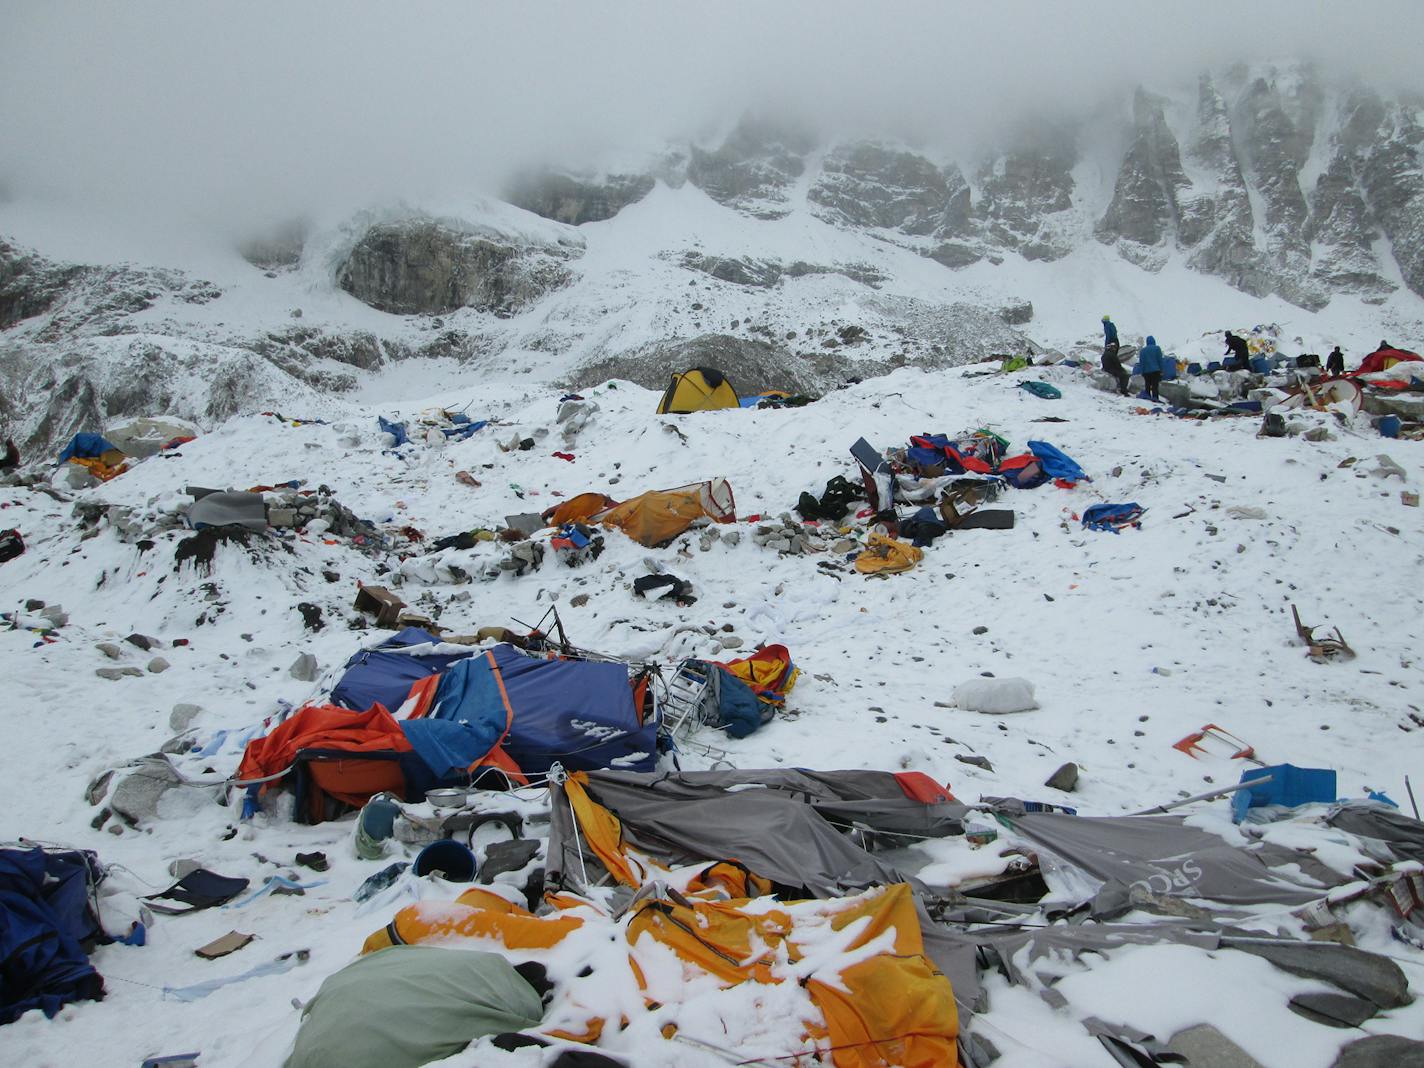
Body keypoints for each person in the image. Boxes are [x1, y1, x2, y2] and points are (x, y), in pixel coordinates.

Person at [1101, 315, 1129, 395]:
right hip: (1112, 367)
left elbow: (1109, 336)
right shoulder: (1111, 325)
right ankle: (1123, 389)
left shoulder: (1107, 326)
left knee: (1109, 359)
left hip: (1111, 342)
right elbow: (1117, 364)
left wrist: (1107, 344)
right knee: (1123, 374)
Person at [1139, 335, 1164, 401]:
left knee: (1147, 385)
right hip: (1155, 371)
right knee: (1155, 386)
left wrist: (1142, 372)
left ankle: (1147, 397)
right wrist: (1161, 370)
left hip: (1146, 372)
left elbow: (1141, 362)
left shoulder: (1142, 351)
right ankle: (1155, 398)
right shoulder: (1157, 348)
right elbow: (1160, 360)